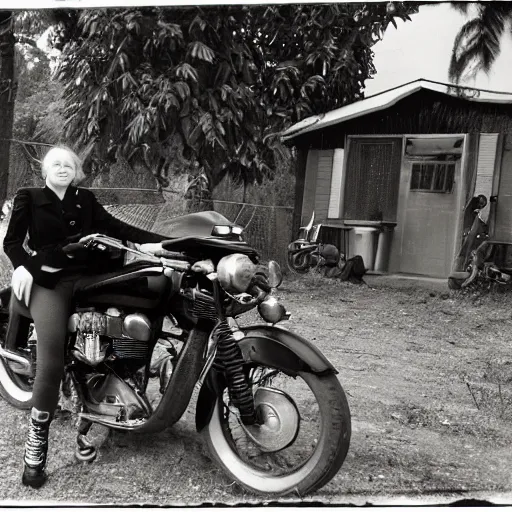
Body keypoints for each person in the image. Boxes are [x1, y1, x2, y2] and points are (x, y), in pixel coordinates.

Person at [3, 145, 167, 489]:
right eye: (56, 164)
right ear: (45, 171)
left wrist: (166, 243)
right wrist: (24, 267)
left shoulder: (85, 198)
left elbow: (117, 228)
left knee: (140, 305)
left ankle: (115, 384)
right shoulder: (29, 196)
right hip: (51, 278)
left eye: (69, 164)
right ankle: (36, 446)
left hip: (92, 273)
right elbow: (13, 242)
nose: (62, 168)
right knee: (50, 362)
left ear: (77, 171)